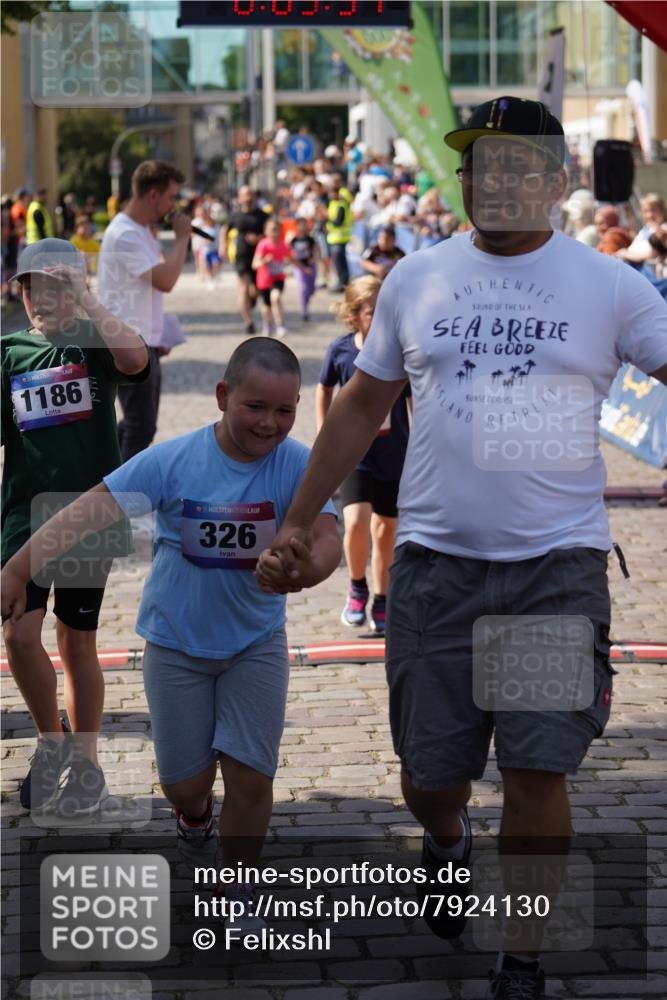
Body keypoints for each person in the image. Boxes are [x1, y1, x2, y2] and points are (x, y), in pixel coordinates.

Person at [267, 97, 667, 1000]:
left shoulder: (608, 286)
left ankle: (517, 959)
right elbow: (362, 407)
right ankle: (444, 842)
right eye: (484, 164)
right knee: (431, 773)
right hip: (436, 569)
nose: (501, 180)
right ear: (465, 179)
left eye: (522, 166)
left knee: (535, 767)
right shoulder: (417, 278)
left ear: (556, 183)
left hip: (554, 570)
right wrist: (299, 517)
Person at [1, 338, 340, 931]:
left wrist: (305, 573)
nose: (270, 423)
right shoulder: (173, 460)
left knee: (252, 777)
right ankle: (194, 816)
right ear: (222, 396)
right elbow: (87, 513)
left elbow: (329, 537)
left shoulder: (297, 464)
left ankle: (237, 899)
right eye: (255, 407)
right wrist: (16, 568)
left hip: (255, 646)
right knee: (183, 784)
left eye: (284, 411)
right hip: (176, 647)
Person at [1, 238, 149, 816]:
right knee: (17, 633)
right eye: (32, 286)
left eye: (57, 286)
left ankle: (86, 766)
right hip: (23, 517)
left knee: (75, 640)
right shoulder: (10, 351)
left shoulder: (96, 344)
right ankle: (51, 740)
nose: (43, 298)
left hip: (89, 512)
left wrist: (89, 300)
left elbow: (137, 361)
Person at [317, 276, 410, 634]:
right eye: (373, 312)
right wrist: (327, 433)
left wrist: (420, 443)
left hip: (394, 451)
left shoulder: (399, 350)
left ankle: (382, 599)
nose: (380, 319)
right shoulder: (341, 350)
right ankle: (357, 587)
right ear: (355, 315)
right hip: (354, 452)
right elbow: (323, 390)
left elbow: (413, 398)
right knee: (355, 521)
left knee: (385, 529)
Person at [97, 159, 189, 462]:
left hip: (143, 339)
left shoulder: (141, 231)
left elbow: (147, 288)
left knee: (141, 425)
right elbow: (165, 280)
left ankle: (107, 475)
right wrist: (182, 239)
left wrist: (159, 332)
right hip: (126, 341)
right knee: (141, 425)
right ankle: (115, 495)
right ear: (153, 195)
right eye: (170, 197)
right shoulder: (125, 233)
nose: (172, 205)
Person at [219, 187, 268, 335]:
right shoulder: (235, 215)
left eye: (250, 194)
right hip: (241, 256)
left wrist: (259, 239)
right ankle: (249, 322)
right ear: (239, 198)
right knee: (243, 288)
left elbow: (270, 233)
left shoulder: (262, 215)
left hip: (259, 258)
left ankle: (251, 302)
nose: (247, 198)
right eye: (244, 195)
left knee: (256, 291)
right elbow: (224, 229)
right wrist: (222, 246)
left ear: (254, 196)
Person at [252, 217, 290, 339]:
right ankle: (267, 325)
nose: (275, 233)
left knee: (276, 297)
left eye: (277, 230)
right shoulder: (263, 245)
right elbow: (254, 264)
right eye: (272, 230)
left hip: (278, 278)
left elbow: (292, 259)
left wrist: (304, 268)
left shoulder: (283, 245)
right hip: (264, 281)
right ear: (266, 232)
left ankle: (280, 325)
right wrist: (264, 260)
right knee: (266, 307)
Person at [287, 216, 319, 322]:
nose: (302, 227)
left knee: (311, 290)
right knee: (303, 289)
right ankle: (305, 310)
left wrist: (314, 259)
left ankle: (307, 299)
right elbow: (289, 253)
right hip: (299, 267)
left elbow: (316, 251)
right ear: (296, 227)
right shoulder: (294, 240)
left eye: (304, 225)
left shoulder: (311, 239)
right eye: (300, 225)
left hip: (311, 266)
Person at [326, 175, 353, 292]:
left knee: (341, 263)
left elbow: (337, 221)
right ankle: (341, 282)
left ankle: (344, 283)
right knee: (338, 263)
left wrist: (327, 221)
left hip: (340, 237)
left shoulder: (342, 201)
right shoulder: (332, 203)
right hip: (333, 238)